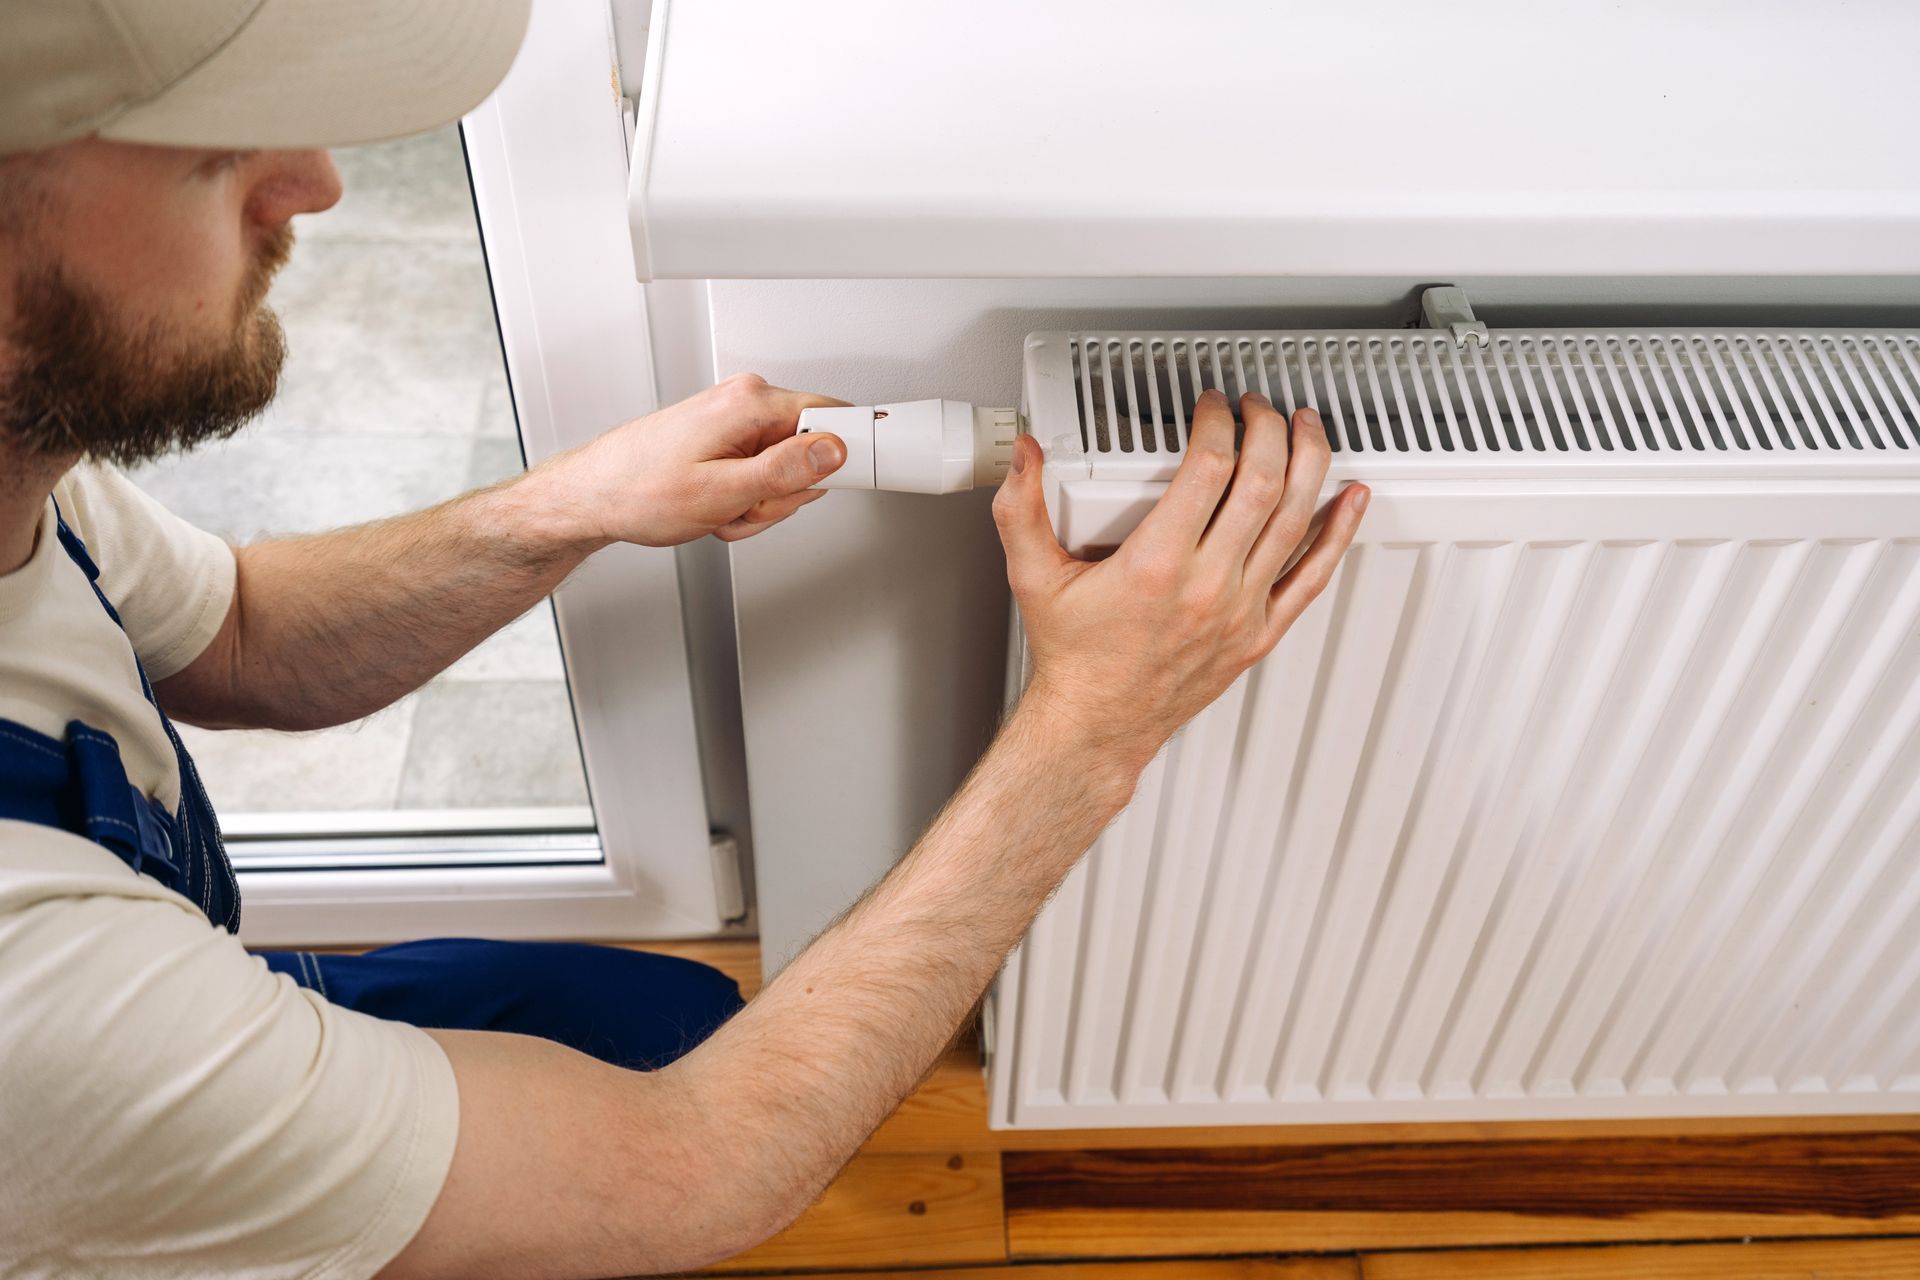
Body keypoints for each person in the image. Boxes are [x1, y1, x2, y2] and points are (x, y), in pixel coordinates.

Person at [0, 1, 1369, 1276]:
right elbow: (689, 1173)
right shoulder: (39, 998)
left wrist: (570, 505)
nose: (316, 180)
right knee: (678, 1125)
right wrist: (1098, 728)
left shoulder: (23, 474)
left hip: (158, 1023)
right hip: (91, 1140)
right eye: (211, 156)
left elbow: (239, 633)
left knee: (683, 1035)